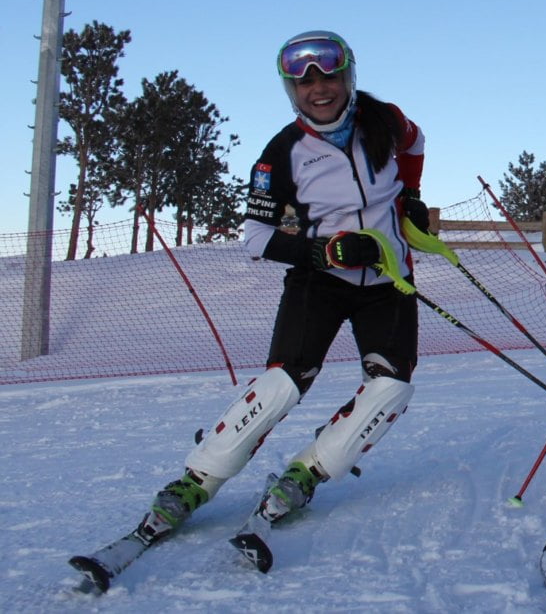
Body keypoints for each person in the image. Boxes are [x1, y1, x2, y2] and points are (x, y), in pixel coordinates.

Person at [122, 30, 428, 548]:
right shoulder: (280, 154)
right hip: (319, 283)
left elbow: (416, 143)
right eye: (302, 80)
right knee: (284, 383)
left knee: (392, 388)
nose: (318, 87)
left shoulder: (385, 121)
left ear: (348, 74)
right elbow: (257, 237)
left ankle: (307, 472)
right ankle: (197, 481)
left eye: (328, 73)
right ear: (290, 89)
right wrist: (324, 250)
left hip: (388, 281)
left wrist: (412, 196)